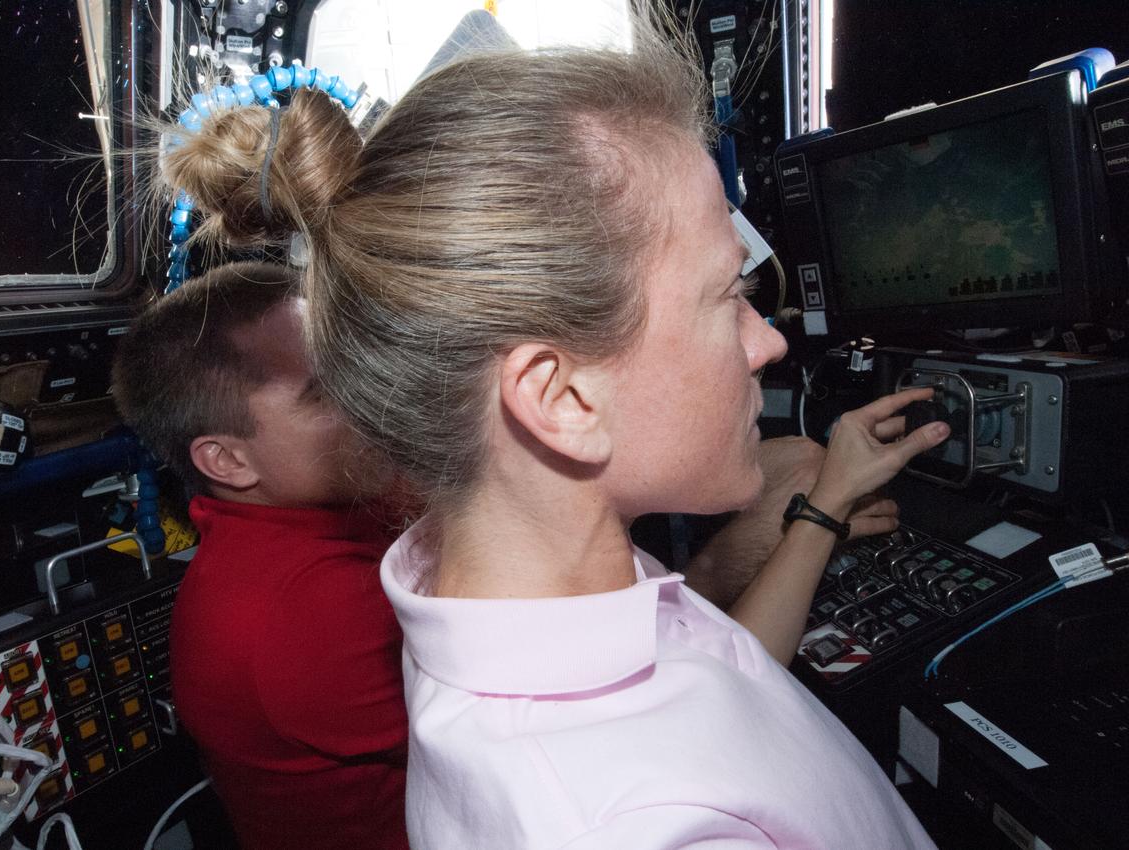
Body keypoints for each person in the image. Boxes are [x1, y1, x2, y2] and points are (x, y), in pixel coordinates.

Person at [159, 26, 949, 844]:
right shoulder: (642, 828)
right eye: (727, 296)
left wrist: (823, 505)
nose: (768, 341)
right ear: (562, 397)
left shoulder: (519, 567)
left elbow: (721, 699)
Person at [110, 262, 408, 850]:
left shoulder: (315, 507)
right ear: (227, 462)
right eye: (325, 392)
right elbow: (524, 719)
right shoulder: (302, 609)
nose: (374, 398)